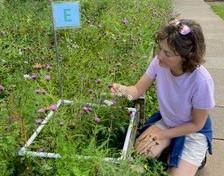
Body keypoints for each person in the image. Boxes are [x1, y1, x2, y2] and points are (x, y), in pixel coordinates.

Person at [109, 19, 215, 176]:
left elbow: (196, 124)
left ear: (186, 56)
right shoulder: (159, 63)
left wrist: (161, 134)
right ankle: (170, 148)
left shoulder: (201, 80)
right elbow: (138, 89)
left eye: (167, 53)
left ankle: (195, 157)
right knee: (139, 152)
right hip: (169, 121)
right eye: (160, 48)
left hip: (192, 131)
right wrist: (122, 90)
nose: (159, 56)